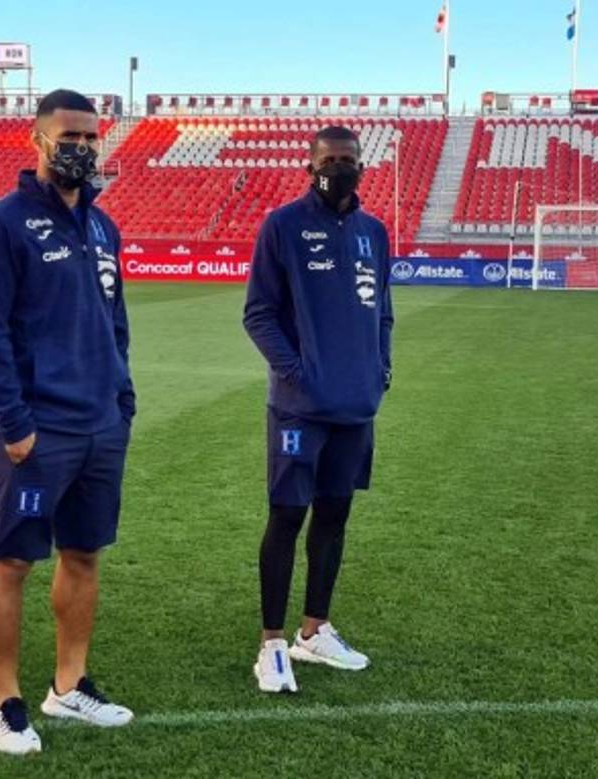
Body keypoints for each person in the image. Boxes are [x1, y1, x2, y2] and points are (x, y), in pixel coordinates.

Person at [0, 88, 136, 754]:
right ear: (36, 139)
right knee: (12, 561)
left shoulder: (103, 226)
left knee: (84, 555)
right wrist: (14, 421)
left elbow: (114, 322)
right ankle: (6, 702)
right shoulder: (4, 223)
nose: (83, 147)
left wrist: (122, 398)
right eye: (69, 136)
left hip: (101, 424)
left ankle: (69, 685)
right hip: (38, 430)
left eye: (92, 137)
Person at [242, 125, 395, 694]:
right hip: (299, 410)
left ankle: (316, 630)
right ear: (310, 167)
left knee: (334, 518)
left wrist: (380, 370)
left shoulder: (373, 233)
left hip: (356, 407)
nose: (339, 167)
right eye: (329, 159)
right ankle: (272, 643)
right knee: (287, 516)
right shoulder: (282, 226)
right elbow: (258, 314)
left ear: (361, 165)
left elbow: (383, 310)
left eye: (348, 159)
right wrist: (299, 375)